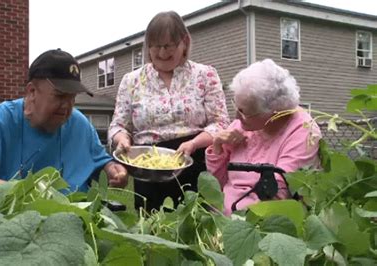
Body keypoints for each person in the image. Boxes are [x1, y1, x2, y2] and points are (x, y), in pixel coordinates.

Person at [108, 11, 230, 211]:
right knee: (152, 230)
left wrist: (193, 143)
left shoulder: (205, 75)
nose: (162, 52)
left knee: (195, 226)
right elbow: (118, 125)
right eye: (155, 46)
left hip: (194, 161)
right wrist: (122, 140)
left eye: (168, 46)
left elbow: (221, 123)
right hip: (147, 168)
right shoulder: (132, 80)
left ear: (184, 42)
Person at [0, 49, 128, 192]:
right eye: (60, 96)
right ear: (32, 91)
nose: (67, 105)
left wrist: (113, 170)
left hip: (74, 223)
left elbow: (102, 162)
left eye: (72, 98)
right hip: (13, 222)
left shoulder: (80, 124)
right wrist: (22, 193)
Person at [206, 59, 322, 216]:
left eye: (244, 112)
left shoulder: (302, 130)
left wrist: (233, 222)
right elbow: (215, 186)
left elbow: (276, 195)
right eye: (236, 107)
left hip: (257, 223)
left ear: (273, 114)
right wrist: (218, 146)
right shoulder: (244, 125)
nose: (236, 117)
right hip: (220, 216)